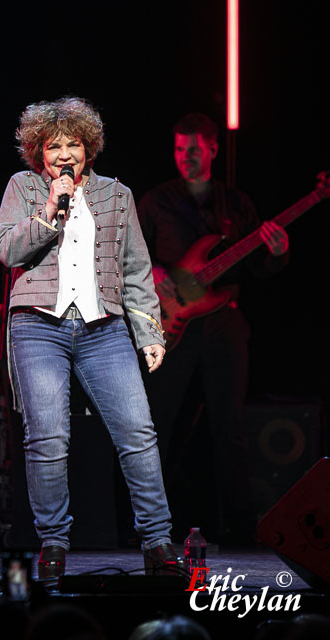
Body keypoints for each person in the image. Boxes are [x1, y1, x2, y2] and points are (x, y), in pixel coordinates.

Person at [0, 96, 184, 578]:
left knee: (138, 433)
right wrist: (49, 209)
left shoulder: (117, 195)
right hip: (38, 326)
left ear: (88, 149)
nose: (64, 154)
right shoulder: (23, 187)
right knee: (49, 438)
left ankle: (158, 544)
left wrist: (149, 333)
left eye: (73, 144)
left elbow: (137, 269)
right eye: (53, 145)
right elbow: (5, 250)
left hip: (104, 329)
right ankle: (53, 545)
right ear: (38, 152)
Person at [137, 112, 289, 546]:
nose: (186, 157)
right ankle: (151, 530)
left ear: (213, 150)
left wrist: (277, 252)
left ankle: (243, 532)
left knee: (229, 427)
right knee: (157, 425)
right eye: (180, 149)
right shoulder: (155, 201)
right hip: (171, 323)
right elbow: (126, 256)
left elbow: (260, 266)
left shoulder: (236, 204)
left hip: (223, 322)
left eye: (195, 149)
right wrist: (154, 272)